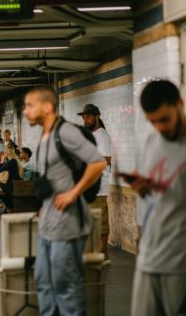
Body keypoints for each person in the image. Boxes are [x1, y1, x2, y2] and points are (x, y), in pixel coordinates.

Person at [123, 80, 186, 316]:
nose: (159, 127)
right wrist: (142, 187)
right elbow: (155, 195)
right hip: (148, 259)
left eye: (164, 119)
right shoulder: (152, 141)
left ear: (180, 105)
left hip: (184, 264)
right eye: (152, 121)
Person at [24, 85, 106, 315]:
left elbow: (98, 163)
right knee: (44, 284)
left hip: (67, 225)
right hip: (47, 225)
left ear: (47, 106)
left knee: (66, 287)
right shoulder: (45, 135)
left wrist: (73, 192)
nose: (25, 111)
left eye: (30, 105)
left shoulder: (65, 132)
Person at [78, 103, 112, 263]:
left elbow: (105, 160)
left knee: (100, 221)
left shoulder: (102, 135)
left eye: (88, 117)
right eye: (84, 117)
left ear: (97, 117)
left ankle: (103, 253)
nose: (85, 120)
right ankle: (94, 252)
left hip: (98, 187)